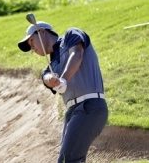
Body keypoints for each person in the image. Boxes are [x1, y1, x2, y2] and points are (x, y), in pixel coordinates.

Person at [17, 21, 108, 163]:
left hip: (90, 106)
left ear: (42, 31)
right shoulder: (51, 66)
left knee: (68, 160)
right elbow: (46, 77)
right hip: (72, 113)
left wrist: (63, 79)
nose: (31, 47)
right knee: (69, 158)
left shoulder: (71, 36)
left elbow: (77, 54)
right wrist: (51, 80)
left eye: (31, 40)